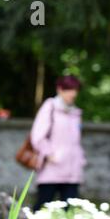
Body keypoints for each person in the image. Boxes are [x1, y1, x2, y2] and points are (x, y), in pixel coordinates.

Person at [31, 75, 86, 211]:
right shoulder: (50, 107)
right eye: (69, 89)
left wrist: (81, 159)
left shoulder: (75, 113)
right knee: (42, 209)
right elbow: (37, 135)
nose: (73, 93)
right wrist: (50, 154)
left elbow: (75, 142)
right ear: (60, 90)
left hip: (72, 171)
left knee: (69, 212)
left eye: (75, 89)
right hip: (52, 169)